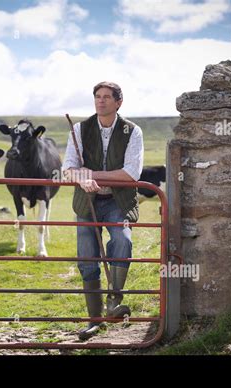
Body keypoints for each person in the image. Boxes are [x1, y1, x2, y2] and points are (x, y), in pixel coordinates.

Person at [62, 81, 144, 340]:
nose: (101, 101)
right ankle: (94, 320)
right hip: (87, 202)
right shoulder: (79, 129)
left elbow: (131, 174)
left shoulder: (133, 131)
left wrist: (92, 174)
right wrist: (81, 178)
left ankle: (114, 303)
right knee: (87, 257)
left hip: (118, 202)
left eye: (107, 97)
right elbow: (68, 168)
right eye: (97, 96)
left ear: (118, 102)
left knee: (122, 240)